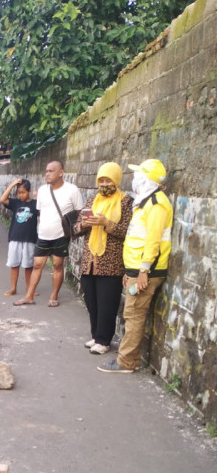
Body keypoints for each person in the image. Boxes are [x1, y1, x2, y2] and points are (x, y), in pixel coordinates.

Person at [98, 158, 172, 373]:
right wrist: (130, 272)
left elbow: (153, 241)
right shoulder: (145, 202)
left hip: (146, 271)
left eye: (138, 175)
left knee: (134, 316)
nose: (134, 179)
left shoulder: (157, 205)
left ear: (147, 179)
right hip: (136, 270)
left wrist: (142, 272)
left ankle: (126, 362)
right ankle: (128, 359)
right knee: (131, 314)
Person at [73, 162, 133, 354]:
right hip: (90, 261)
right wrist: (84, 224)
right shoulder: (92, 200)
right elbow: (76, 228)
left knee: (107, 302)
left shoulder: (125, 202)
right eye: (101, 180)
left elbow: (127, 232)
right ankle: (95, 335)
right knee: (91, 300)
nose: (104, 184)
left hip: (111, 262)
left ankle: (104, 340)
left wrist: (105, 223)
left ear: (116, 180)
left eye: (108, 180)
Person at [14, 159, 83, 307]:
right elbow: (40, 211)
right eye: (46, 171)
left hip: (61, 236)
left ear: (61, 173)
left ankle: (54, 296)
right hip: (43, 235)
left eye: (51, 171)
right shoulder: (43, 190)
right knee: (37, 264)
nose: (47, 174)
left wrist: (71, 227)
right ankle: (29, 296)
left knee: (57, 265)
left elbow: (79, 212)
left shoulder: (72, 190)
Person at [0, 178, 38, 296]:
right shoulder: (16, 203)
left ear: (29, 191)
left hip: (29, 239)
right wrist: (12, 185)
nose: (21, 195)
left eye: (23, 192)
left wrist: (38, 197)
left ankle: (29, 288)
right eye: (19, 193)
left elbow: (46, 207)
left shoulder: (35, 204)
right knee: (14, 264)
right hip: (15, 238)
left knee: (28, 265)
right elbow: (3, 199)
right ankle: (13, 288)